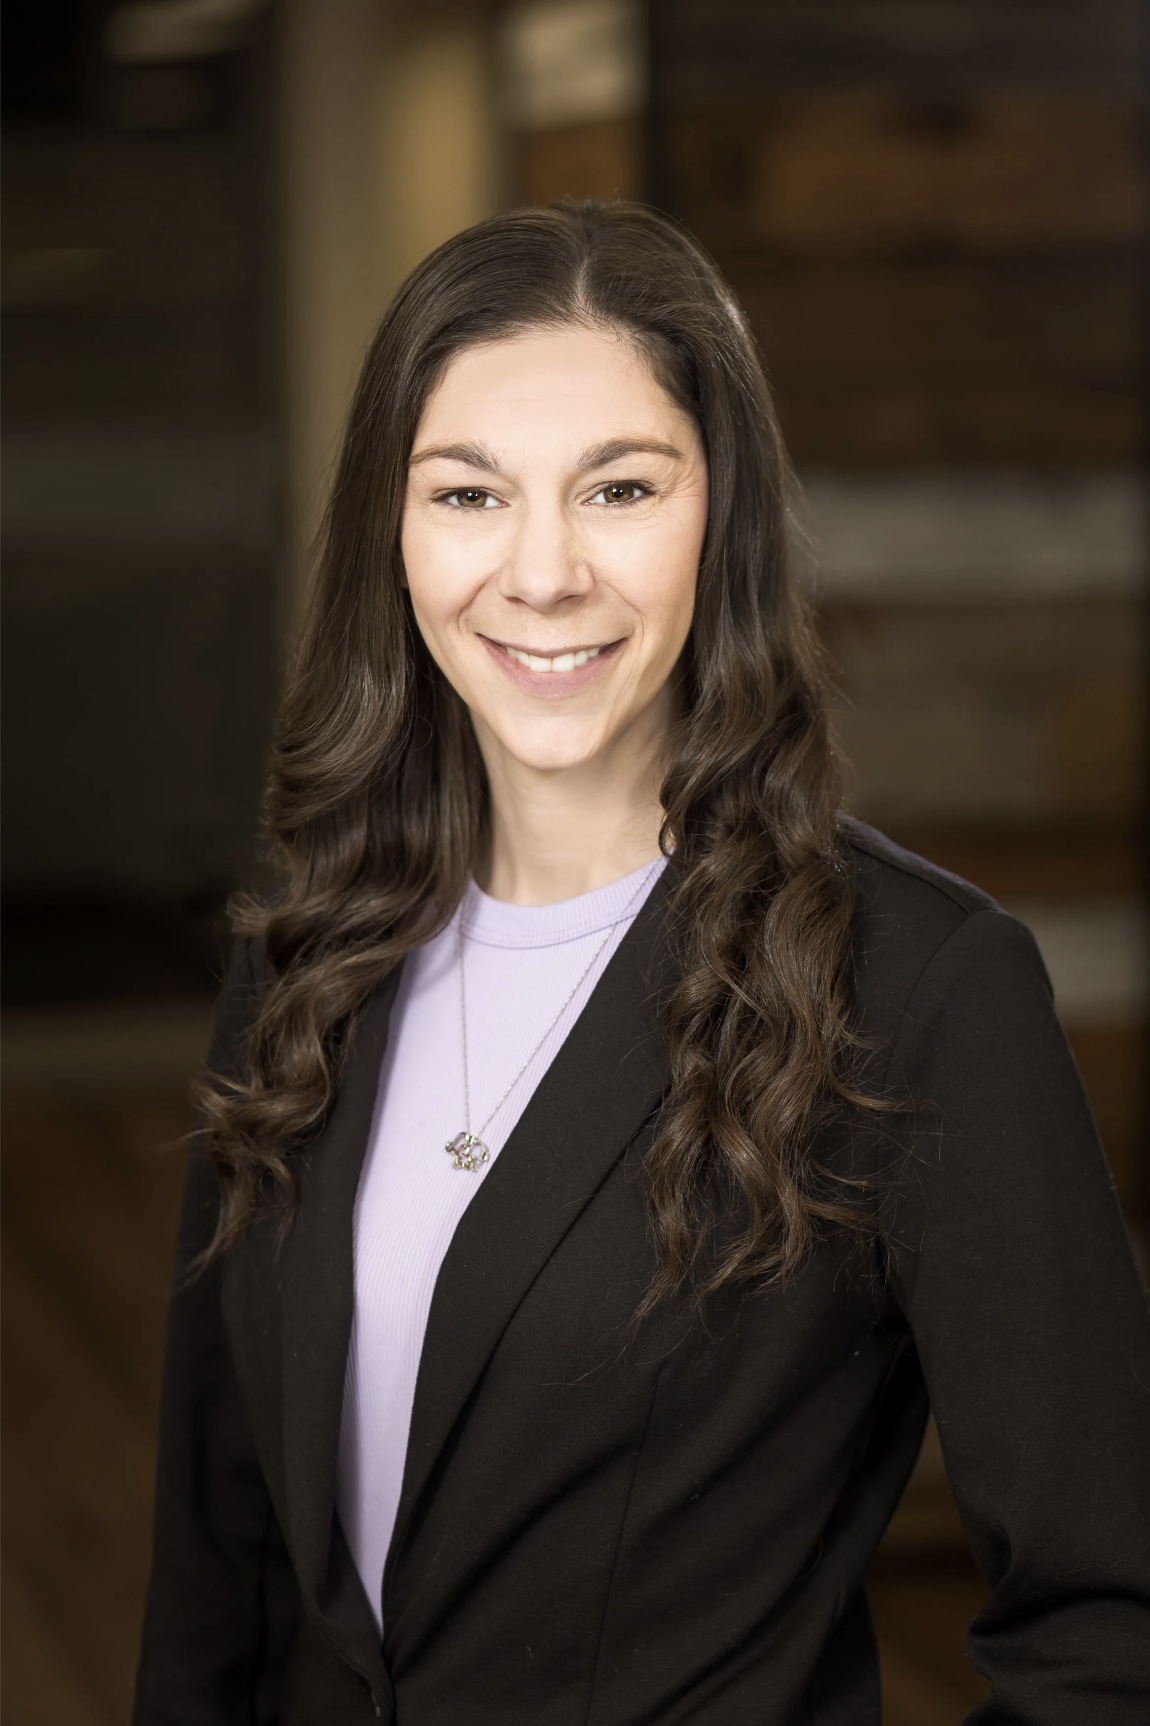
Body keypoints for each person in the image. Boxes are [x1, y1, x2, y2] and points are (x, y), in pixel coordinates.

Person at [134, 202, 1150, 1725]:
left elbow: (1109, 1623)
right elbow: (219, 1560)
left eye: (617, 487)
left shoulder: (918, 990)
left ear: (719, 510)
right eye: (467, 495)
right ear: (389, 533)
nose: (541, 573)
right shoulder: (302, 950)